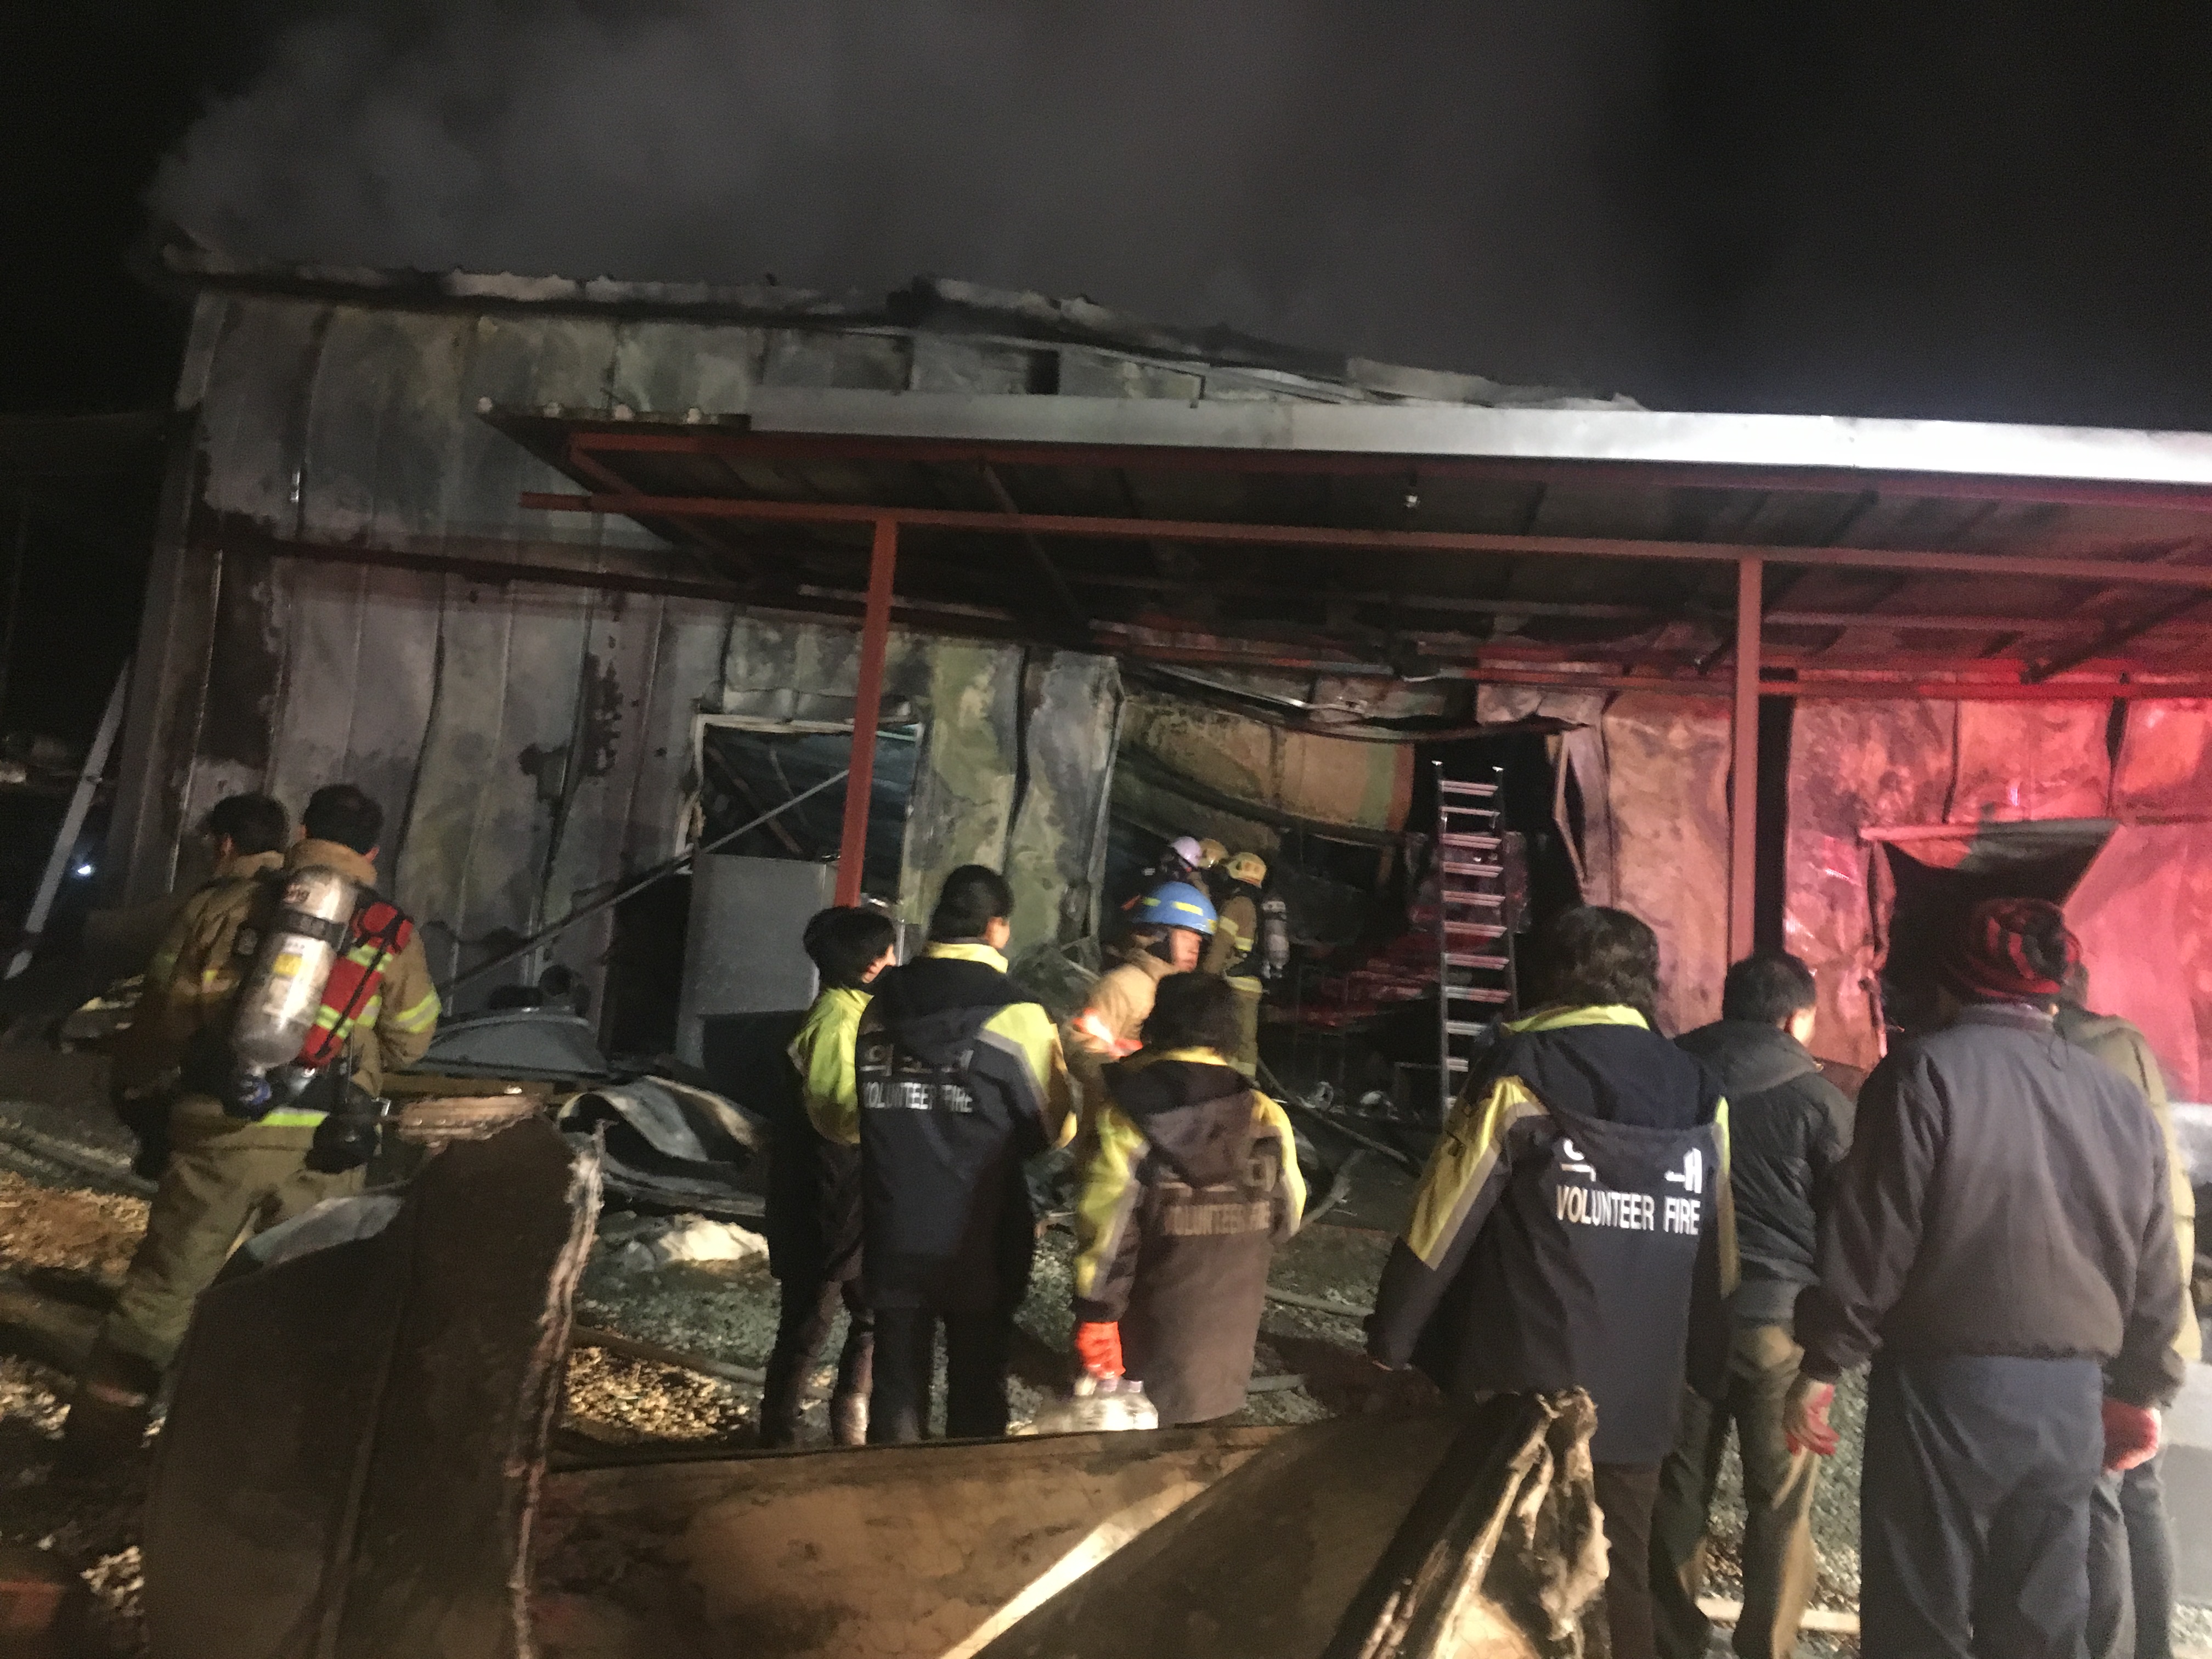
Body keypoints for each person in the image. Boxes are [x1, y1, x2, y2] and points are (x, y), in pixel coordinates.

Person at [1787, 898, 2184, 1659]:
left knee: (1920, 1616)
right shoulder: (2118, 1100)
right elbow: (2155, 1262)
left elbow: (1875, 1237)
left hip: (1943, 1394)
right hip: (2071, 1403)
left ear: (1953, 978)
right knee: (2042, 1623)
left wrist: (1825, 1361)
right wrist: (2142, 1389)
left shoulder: (1923, 1072)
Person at [1365, 905, 1733, 1659]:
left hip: (1521, 1387)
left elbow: (1445, 1216)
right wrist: (1708, 1364)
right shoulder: (1701, 1091)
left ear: (1553, 977)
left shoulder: (1523, 1068)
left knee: (1495, 1581)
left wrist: (1391, 1341)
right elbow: (1718, 1249)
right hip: (1640, 1395)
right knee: (1619, 1579)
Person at [63, 783, 441, 1466]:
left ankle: (98, 1450)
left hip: (224, 1129)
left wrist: (141, 1088)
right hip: (328, 1142)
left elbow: (164, 1016)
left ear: (301, 832)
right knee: (300, 1297)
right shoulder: (390, 931)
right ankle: (248, 1461)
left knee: (164, 1291)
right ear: (374, 853)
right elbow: (412, 1039)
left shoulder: (224, 905)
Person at [1650, 952, 1853, 1659]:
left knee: (1678, 1489)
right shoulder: (1820, 1101)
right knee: (1780, 1501)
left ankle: (1671, 1642)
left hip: (1680, 1316)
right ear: (1795, 1019)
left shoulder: (1668, 1075)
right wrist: (1833, 1345)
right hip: (1779, 1326)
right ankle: (1766, 1646)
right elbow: (1848, 1228)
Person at [855, 865, 1075, 1441]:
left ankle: (886, 1491)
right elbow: (1052, 1130)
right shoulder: (1019, 1015)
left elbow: (863, 1107)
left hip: (893, 1220)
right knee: (977, 1388)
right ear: (996, 928)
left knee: (896, 1386)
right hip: (980, 1229)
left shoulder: (879, 1004)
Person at [1069, 972, 1305, 1424]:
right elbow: (1288, 1218)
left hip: (1139, 1340)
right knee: (1198, 1453)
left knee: (1123, 1446)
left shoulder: (1128, 1115)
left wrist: (1096, 1313)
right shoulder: (1266, 1115)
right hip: (1224, 1343)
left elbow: (1107, 1231)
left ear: (1158, 1024)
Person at [2057, 964, 2198, 1659]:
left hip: (2112, 1312)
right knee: (2138, 1493)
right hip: (2158, 1306)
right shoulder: (2129, 1050)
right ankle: (2155, 1649)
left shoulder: (2066, 1062)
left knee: (2101, 1495)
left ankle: (2106, 1649)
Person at [759, 905, 896, 1448]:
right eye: (888, 952)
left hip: (849, 1187)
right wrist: (899, 1115)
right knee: (812, 1318)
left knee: (869, 1309)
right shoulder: (838, 1020)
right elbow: (839, 1116)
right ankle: (780, 1433)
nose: (894, 961)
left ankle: (847, 1417)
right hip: (829, 1189)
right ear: (870, 965)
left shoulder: (854, 1011)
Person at [110, 793, 293, 1177]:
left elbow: (168, 999)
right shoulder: (302, 902)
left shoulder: (213, 904)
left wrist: (137, 1075)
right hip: (291, 1093)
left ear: (225, 844)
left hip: (210, 1083)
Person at [1071, 881, 1217, 1098]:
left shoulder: (1183, 994)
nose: (1194, 949)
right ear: (1158, 935)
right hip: (1123, 1107)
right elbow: (1082, 1051)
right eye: (1186, 937)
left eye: (1198, 942)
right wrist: (1126, 1088)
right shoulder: (1121, 986)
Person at [1198, 851, 1267, 1077]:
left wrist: (1203, 979)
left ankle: (1223, 1083)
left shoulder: (1236, 905)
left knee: (1225, 1041)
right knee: (1246, 1044)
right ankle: (1247, 1085)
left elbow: (1220, 947)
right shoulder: (1260, 907)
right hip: (1253, 986)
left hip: (1232, 986)